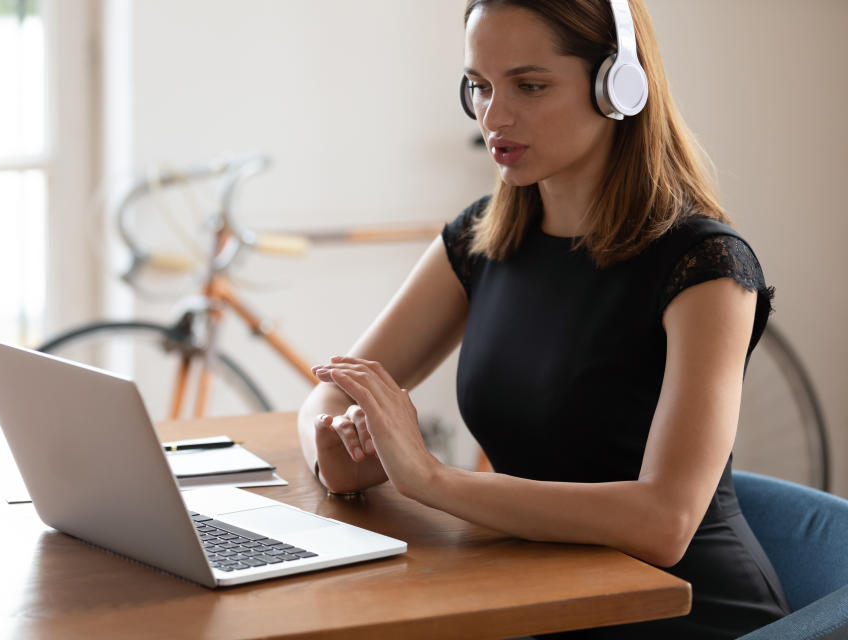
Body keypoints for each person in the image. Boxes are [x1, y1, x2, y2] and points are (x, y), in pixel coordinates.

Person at [296, 0, 789, 637]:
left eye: (529, 86)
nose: (492, 116)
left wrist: (428, 479)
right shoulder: (481, 237)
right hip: (540, 597)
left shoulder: (706, 266)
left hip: (687, 614)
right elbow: (328, 394)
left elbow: (664, 524)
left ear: (619, 86)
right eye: (479, 86)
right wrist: (335, 453)